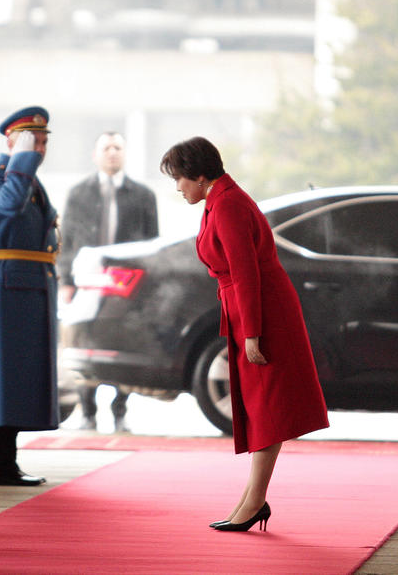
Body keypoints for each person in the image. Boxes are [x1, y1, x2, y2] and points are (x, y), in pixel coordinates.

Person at [159, 136, 328, 532]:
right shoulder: (219, 200)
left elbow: (247, 272)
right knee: (261, 407)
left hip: (263, 312)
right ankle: (251, 499)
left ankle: (253, 502)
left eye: (180, 179)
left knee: (267, 407)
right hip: (249, 308)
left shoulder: (230, 204)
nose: (178, 187)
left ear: (201, 176)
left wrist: (252, 332)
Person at [0, 106, 59, 486]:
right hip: (4, 291)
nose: (40, 148)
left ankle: (8, 462)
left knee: (19, 380)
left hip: (27, 289)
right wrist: (19, 158)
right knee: (1, 379)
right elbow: (5, 207)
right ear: (13, 141)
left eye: (43, 141)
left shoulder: (28, 179)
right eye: (33, 140)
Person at [58, 132, 158, 431]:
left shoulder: (142, 195)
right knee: (86, 343)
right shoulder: (79, 193)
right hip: (86, 282)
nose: (112, 153)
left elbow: (153, 243)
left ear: (125, 154)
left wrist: (147, 285)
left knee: (122, 344)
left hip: (125, 283)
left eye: (117, 148)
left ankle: (120, 411)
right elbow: (67, 240)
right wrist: (66, 280)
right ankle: (87, 411)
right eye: (106, 148)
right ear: (95, 154)